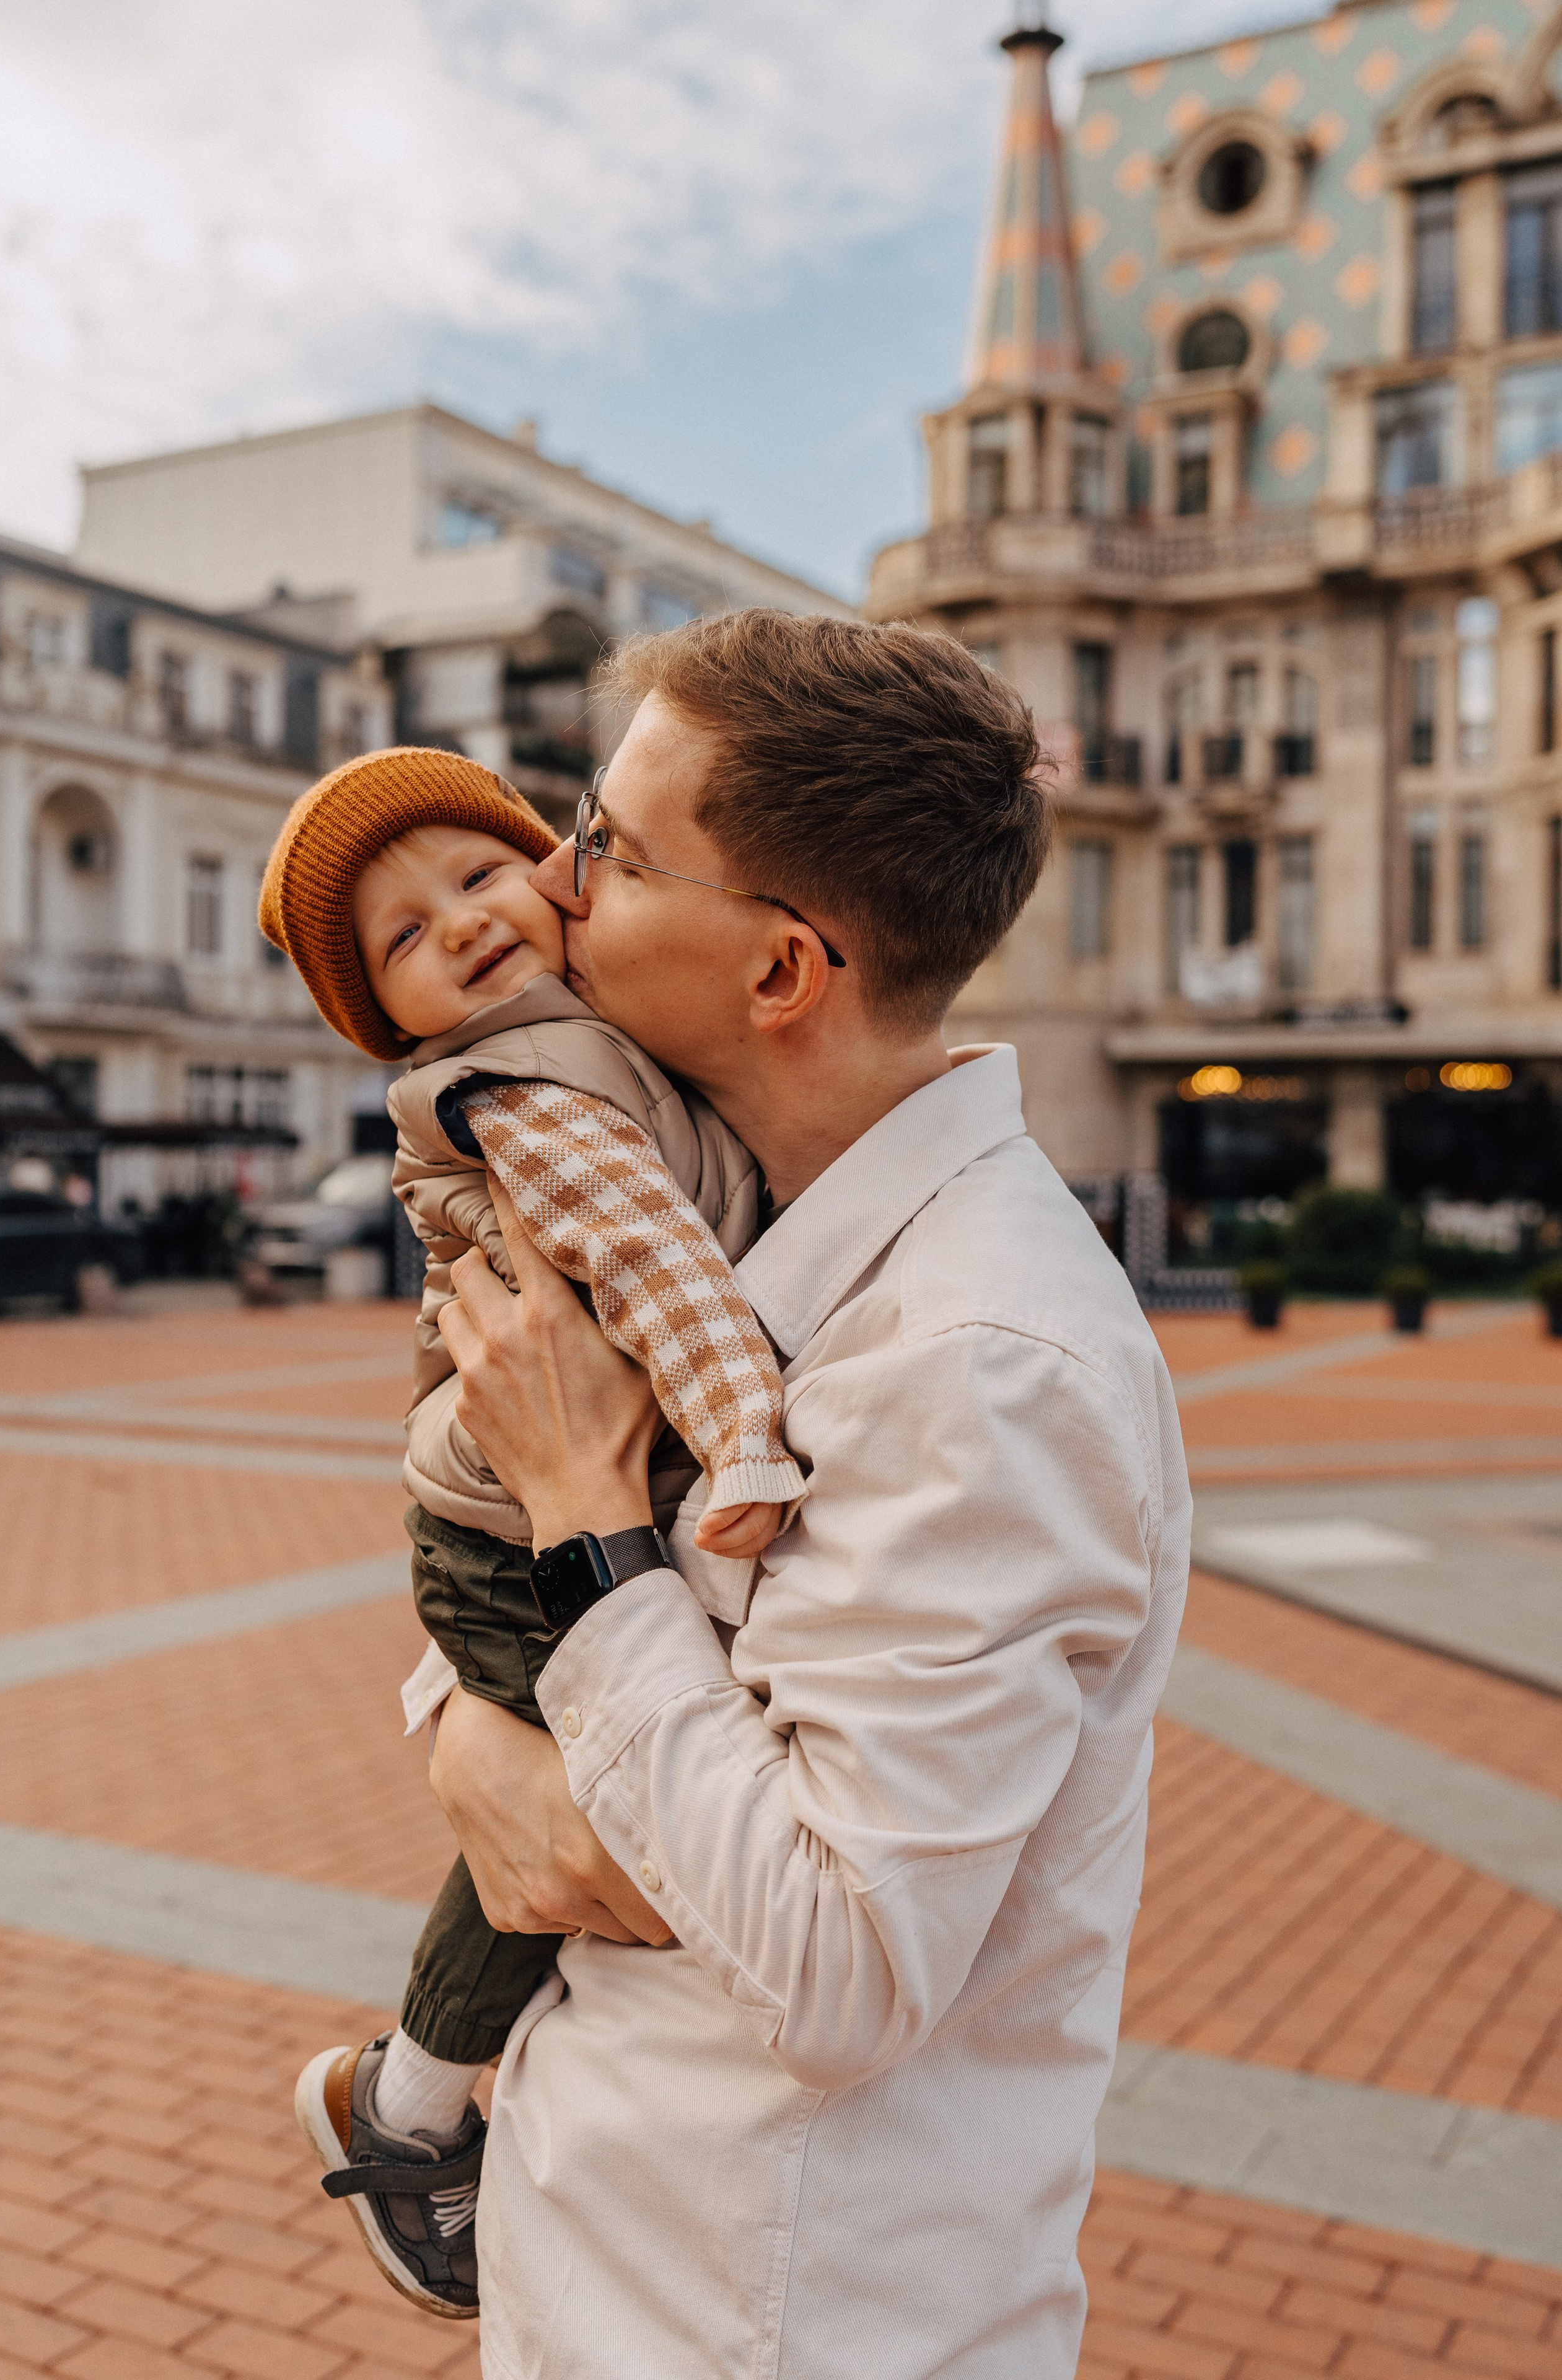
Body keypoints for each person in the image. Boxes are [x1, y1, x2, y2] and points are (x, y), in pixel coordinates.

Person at [426, 609, 1193, 2379]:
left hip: (776, 2319)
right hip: (607, 2260)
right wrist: (472, 1745)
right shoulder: (697, 1225)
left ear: (782, 972)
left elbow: (840, 1970)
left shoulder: (986, 1361)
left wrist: (586, 1526)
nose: (550, 876)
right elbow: (497, 1663)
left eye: (611, 846)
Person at [256, 746, 805, 2319]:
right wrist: (746, 1429)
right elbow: (654, 1266)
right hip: (510, 1533)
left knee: (564, 1794)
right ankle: (414, 2103)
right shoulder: (531, 1088)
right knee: (582, 1821)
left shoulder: (592, 1040)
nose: (462, 925)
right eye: (405, 938)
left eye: (478, 875)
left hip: (520, 1496)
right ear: (393, 1017)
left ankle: (432, 2095)